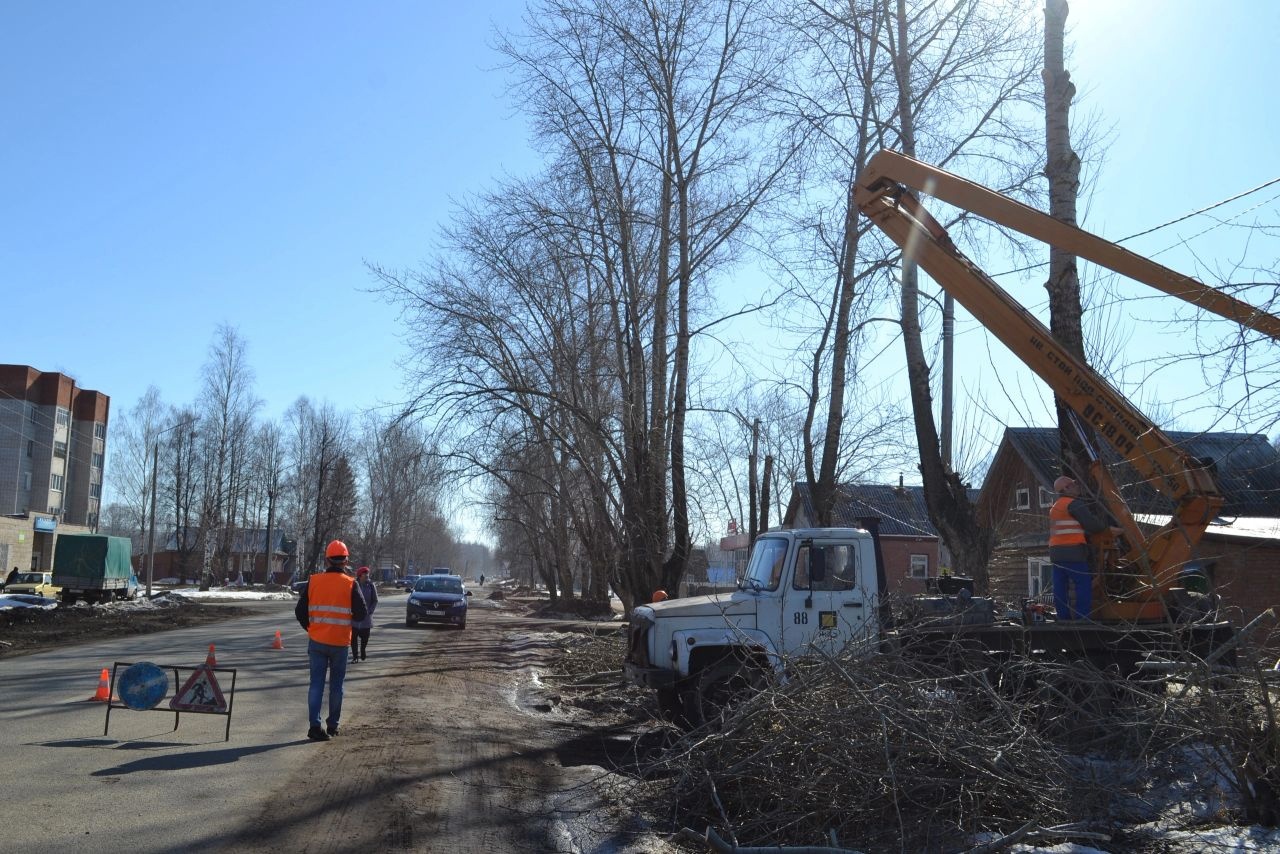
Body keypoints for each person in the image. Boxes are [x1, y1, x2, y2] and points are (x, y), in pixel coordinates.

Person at [295, 539, 367, 741]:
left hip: (317, 641)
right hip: (340, 643)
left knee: (316, 684)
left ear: (327, 560)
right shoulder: (351, 583)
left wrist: (310, 628)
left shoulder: (314, 581)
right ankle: (333, 725)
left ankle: (314, 727)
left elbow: (300, 611)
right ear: (345, 561)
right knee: (336, 686)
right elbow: (362, 613)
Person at [1048, 476, 1107, 621]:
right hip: (1073, 552)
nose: (1077, 486)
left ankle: (1064, 618)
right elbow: (1093, 525)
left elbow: (1070, 526)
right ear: (1066, 489)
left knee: (1060, 587)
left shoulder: (1055, 507)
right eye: (1073, 484)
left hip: (1056, 553)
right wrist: (1107, 528)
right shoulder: (1073, 504)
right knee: (1083, 584)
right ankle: (1083, 618)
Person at [351, 566, 378, 662]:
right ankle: (355, 657)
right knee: (353, 638)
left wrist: (370, 611)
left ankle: (363, 650)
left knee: (365, 638)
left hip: (366, 617)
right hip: (354, 616)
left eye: (368, 573)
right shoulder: (353, 585)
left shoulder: (371, 585)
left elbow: (375, 600)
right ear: (360, 575)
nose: (367, 575)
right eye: (365, 573)